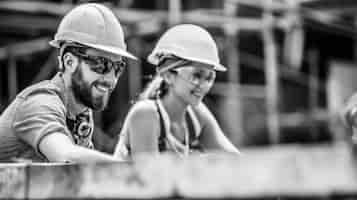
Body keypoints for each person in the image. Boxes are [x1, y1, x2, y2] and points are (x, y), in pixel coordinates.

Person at [0, 3, 137, 163]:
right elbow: (65, 157)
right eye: (101, 64)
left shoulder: (81, 115)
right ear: (69, 62)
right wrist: (129, 169)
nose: (111, 78)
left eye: (118, 67)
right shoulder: (40, 103)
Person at [114, 24, 240, 160]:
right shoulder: (145, 114)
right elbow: (149, 176)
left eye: (209, 78)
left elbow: (236, 161)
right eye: (196, 76)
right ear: (168, 75)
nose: (202, 86)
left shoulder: (196, 115)